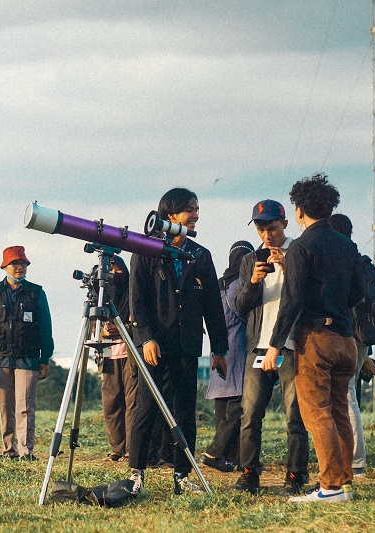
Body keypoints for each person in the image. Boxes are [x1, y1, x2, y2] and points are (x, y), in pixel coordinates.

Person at [265, 174, 361, 503]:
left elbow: (291, 301)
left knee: (316, 412)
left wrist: (274, 346)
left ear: (300, 210)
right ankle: (344, 483)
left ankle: (330, 487)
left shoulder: (302, 246)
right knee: (337, 411)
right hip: (346, 338)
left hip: (315, 339)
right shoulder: (348, 245)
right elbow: (358, 292)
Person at [127, 188, 229, 495]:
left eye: (197, 208)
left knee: (186, 410)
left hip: (187, 345)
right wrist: (146, 339)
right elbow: (137, 302)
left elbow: (213, 306)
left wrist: (220, 349)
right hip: (154, 346)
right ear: (170, 215)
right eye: (190, 209)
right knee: (147, 408)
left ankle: (182, 476)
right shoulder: (145, 251)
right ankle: (136, 474)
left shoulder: (201, 255)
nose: (196, 214)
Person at [229, 200, 311, 497]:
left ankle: (295, 475)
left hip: (291, 346)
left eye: (272, 228)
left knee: (295, 416)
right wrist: (252, 281)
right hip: (258, 346)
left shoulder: (300, 254)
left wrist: (289, 268)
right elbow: (239, 306)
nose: (267, 235)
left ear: (285, 224)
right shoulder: (250, 259)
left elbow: (308, 296)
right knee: (249, 414)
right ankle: (249, 474)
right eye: (262, 229)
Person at [0, 246, 54, 461]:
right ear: (5, 267)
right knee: (5, 407)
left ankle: (27, 452)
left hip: (28, 358)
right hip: (0, 358)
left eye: (23, 263)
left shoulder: (36, 292)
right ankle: (9, 451)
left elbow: (46, 327)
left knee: (26, 407)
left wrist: (45, 358)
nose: (19, 267)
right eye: (15, 263)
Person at [328, 213, 375, 478]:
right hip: (359, 338)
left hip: (346, 333)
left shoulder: (343, 260)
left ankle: (355, 460)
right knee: (346, 395)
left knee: (346, 396)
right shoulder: (360, 260)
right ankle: (350, 456)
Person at [200, 240, 254, 473]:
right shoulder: (236, 285)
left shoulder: (218, 283)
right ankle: (217, 451)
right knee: (238, 406)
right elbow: (241, 311)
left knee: (223, 407)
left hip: (218, 348)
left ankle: (230, 458)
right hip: (237, 348)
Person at [99, 255, 137, 462]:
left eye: (118, 268)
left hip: (130, 353)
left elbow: (141, 321)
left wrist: (123, 329)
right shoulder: (101, 295)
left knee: (132, 402)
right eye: (111, 269)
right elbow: (92, 326)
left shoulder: (133, 290)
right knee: (111, 402)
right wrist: (104, 330)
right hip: (107, 354)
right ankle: (117, 448)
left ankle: (132, 449)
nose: (115, 273)